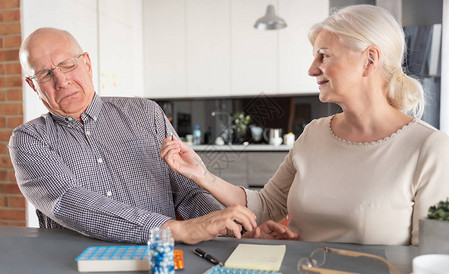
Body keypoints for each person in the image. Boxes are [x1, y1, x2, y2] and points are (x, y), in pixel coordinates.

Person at [160, 5, 449, 246]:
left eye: (324, 55)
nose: (312, 69)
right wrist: (202, 174)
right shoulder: (314, 133)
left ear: (369, 60)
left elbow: (432, 258)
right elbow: (267, 206)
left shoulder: (430, 148)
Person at [9, 27, 297, 244]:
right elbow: (67, 201)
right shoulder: (28, 140)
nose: (61, 80)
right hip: (77, 267)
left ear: (87, 63)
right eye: (46, 74)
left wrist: (234, 232)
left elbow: (187, 191)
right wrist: (176, 230)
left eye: (68, 65)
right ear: (33, 86)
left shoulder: (145, 113)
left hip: (160, 262)